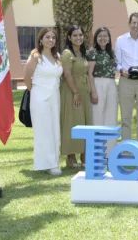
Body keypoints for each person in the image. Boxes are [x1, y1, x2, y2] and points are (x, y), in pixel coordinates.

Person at [23, 27, 63, 176]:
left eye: (53, 37)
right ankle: (47, 164)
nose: (50, 40)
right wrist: (35, 92)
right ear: (40, 39)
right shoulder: (36, 56)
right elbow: (27, 78)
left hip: (55, 97)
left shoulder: (57, 56)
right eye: (47, 37)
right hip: (39, 98)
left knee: (54, 129)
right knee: (43, 130)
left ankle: (54, 162)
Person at [115, 12, 138, 147]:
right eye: (134, 22)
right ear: (129, 23)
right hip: (126, 81)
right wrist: (121, 70)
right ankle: (126, 149)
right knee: (126, 118)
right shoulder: (120, 40)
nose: (136, 25)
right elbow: (117, 61)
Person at [61, 25, 92, 169]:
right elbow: (67, 74)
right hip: (72, 92)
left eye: (80, 35)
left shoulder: (82, 52)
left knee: (84, 122)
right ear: (69, 37)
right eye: (75, 35)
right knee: (73, 122)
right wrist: (75, 92)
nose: (78, 37)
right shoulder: (67, 53)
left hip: (84, 91)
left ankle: (84, 155)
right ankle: (71, 157)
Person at [87, 26, 118, 157]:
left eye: (105, 36)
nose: (102, 38)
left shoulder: (112, 53)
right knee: (97, 116)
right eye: (100, 36)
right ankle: (97, 152)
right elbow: (89, 73)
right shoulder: (92, 52)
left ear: (109, 38)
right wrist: (93, 91)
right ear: (96, 38)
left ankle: (109, 152)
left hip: (111, 83)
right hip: (97, 82)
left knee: (111, 116)